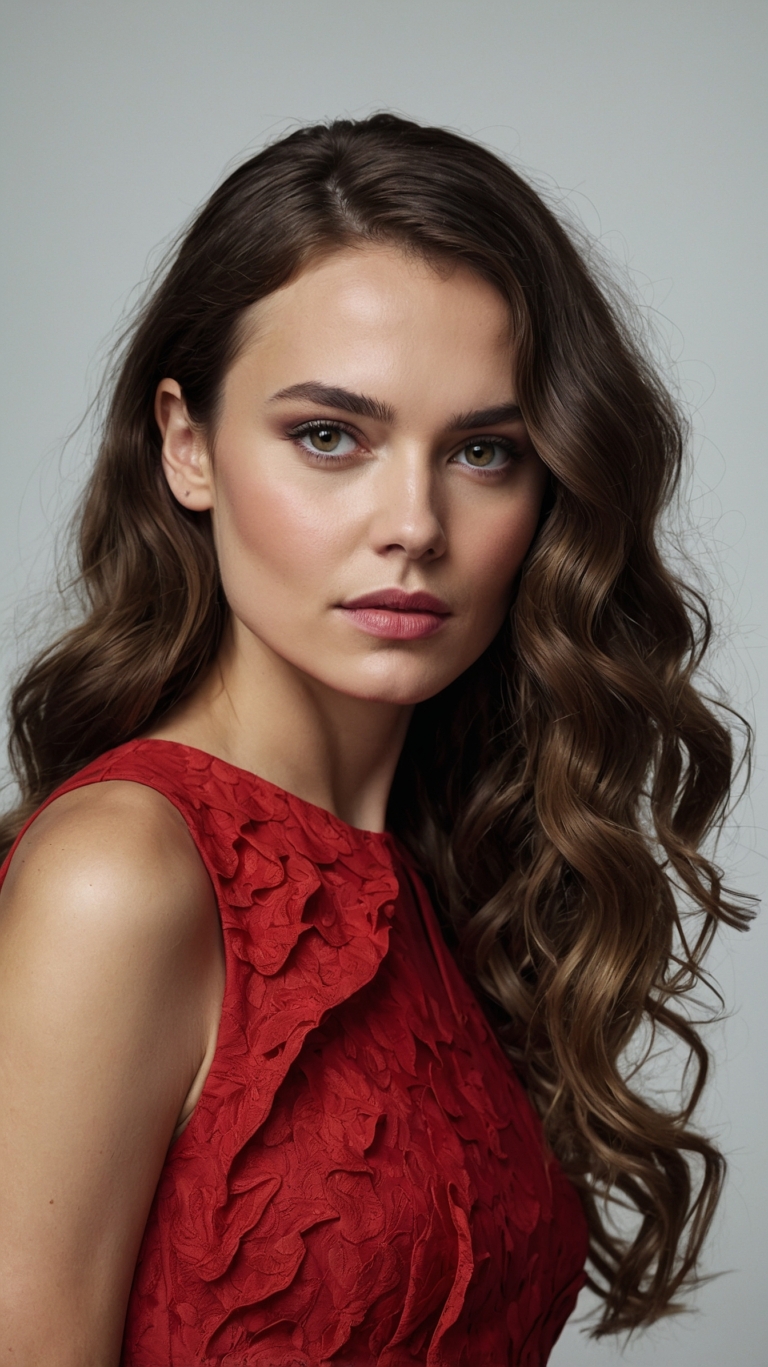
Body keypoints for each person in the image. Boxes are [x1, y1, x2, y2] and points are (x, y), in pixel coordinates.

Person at [0, 114, 751, 1367]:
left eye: (483, 451)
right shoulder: (123, 874)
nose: (414, 522)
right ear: (187, 445)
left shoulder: (448, 878)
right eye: (329, 435)